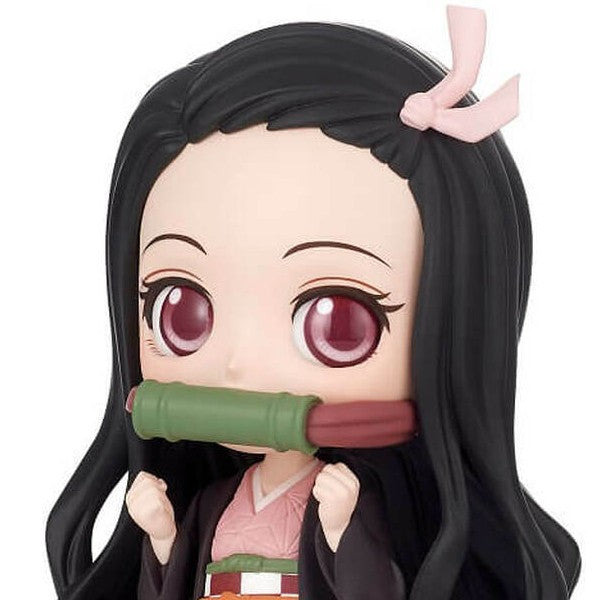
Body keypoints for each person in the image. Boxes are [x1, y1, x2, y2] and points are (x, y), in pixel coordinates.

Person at [46, 8, 581, 600]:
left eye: (338, 323)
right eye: (181, 313)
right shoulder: (213, 502)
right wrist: (164, 536)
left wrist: (340, 532)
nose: (240, 365)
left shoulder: (353, 501)